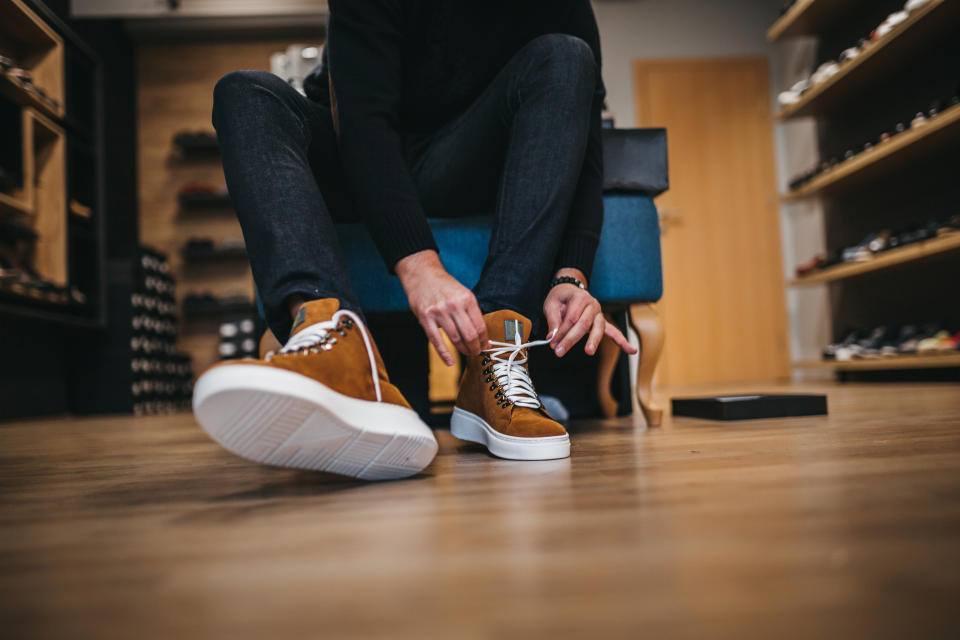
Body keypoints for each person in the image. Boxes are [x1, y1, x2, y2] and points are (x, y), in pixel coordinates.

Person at [191, 0, 636, 480]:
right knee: (245, 92)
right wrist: (418, 264)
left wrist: (572, 273)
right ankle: (328, 336)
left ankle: (496, 355)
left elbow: (586, 140)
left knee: (567, 58)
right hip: (352, 151)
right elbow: (363, 123)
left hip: (464, 155)